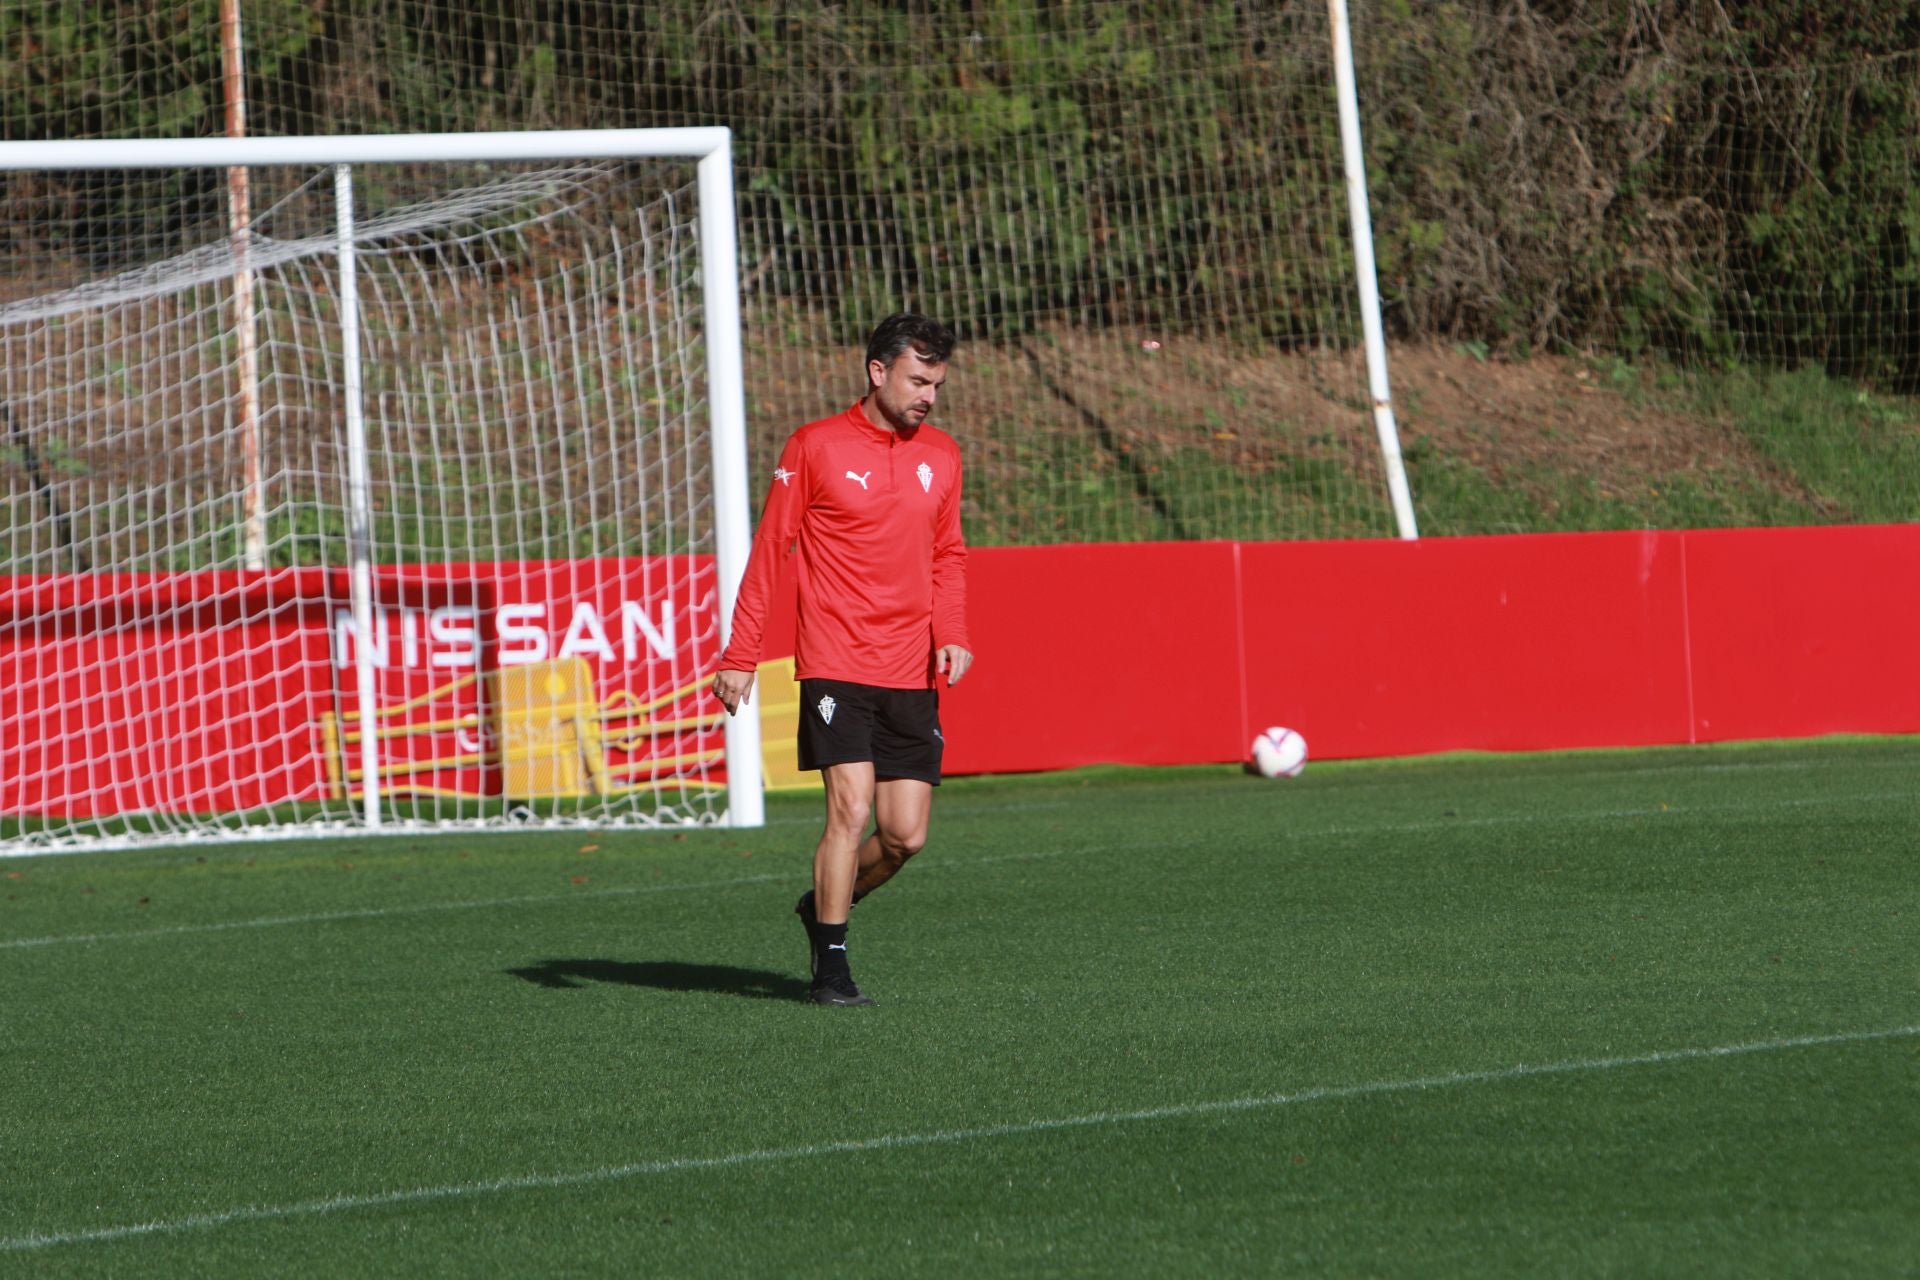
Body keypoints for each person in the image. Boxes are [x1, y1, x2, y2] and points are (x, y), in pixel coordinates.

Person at [711, 314, 973, 1006]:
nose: (930, 397)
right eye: (919, 381)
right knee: (849, 812)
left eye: (938, 384)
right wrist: (741, 654)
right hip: (835, 660)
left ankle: (822, 906)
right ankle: (832, 967)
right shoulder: (815, 447)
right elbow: (771, 550)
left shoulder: (941, 455)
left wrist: (952, 629)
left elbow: (948, 552)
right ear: (876, 371)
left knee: (905, 836)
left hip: (911, 668)